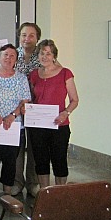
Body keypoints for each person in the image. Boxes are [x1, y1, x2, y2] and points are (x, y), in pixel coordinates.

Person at [0, 44, 31, 207]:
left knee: (11, 161)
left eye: (12, 56)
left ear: (16, 59)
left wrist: (13, 115)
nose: (8, 58)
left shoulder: (21, 78)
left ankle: (8, 194)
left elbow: (24, 101)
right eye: (5, 55)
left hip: (14, 126)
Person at [28, 39, 79, 189]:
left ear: (54, 56)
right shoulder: (34, 75)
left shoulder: (65, 73)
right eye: (42, 53)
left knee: (59, 159)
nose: (44, 56)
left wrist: (66, 113)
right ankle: (44, 192)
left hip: (59, 124)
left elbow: (75, 100)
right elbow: (32, 98)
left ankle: (60, 193)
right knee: (41, 159)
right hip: (38, 125)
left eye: (48, 53)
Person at [11, 22, 42, 197]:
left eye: (31, 35)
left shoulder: (44, 54)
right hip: (17, 107)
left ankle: (33, 182)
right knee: (17, 146)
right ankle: (17, 181)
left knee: (35, 146)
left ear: (37, 37)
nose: (27, 39)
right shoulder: (14, 55)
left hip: (39, 108)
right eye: (23, 35)